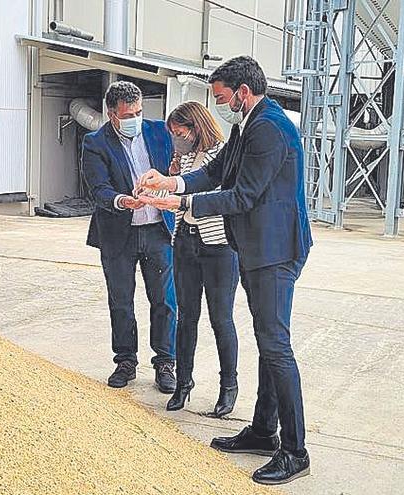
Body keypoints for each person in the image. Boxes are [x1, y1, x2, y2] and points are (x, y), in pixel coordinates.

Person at [136, 56, 313, 485]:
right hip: (256, 249)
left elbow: (242, 195)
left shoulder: (269, 128)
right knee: (270, 342)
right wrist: (171, 183)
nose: (218, 105)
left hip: (274, 251)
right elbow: (216, 172)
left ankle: (295, 450)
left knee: (276, 347)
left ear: (242, 91)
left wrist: (180, 205)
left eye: (220, 97)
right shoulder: (248, 124)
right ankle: (263, 431)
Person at [81, 80, 177, 394]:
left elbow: (175, 170)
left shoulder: (159, 131)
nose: (135, 118)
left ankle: (165, 362)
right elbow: (99, 189)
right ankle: (125, 361)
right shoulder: (95, 143)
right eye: (127, 114)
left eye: (138, 111)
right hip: (117, 233)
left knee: (164, 301)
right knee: (121, 301)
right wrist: (122, 201)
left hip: (158, 230)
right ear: (112, 115)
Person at [164, 101, 240, 419]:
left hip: (219, 245)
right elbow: (183, 198)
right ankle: (184, 383)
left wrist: (180, 199)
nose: (177, 140)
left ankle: (228, 387)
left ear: (195, 127)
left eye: (180, 133)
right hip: (185, 241)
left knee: (221, 319)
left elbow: (222, 198)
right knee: (186, 318)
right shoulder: (182, 159)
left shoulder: (222, 154)